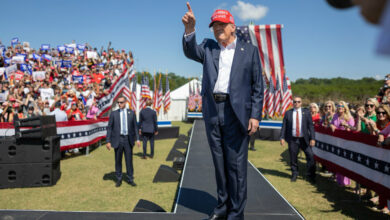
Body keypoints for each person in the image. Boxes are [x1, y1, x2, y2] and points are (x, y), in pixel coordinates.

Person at [182, 3, 263, 220]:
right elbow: (190, 51)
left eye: (221, 25)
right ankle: (222, 207)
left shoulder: (250, 52)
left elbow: (258, 86)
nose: (217, 28)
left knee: (236, 165)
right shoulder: (209, 47)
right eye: (214, 25)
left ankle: (236, 213)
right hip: (212, 111)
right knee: (219, 164)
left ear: (232, 27)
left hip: (237, 113)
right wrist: (190, 30)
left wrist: (255, 115)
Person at [106, 96, 140, 187]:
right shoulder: (113, 114)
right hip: (118, 140)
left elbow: (135, 127)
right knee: (118, 160)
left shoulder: (132, 113)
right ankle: (119, 179)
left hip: (128, 140)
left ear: (125, 102)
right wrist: (108, 141)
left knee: (129, 160)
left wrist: (138, 139)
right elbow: (109, 128)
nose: (119, 104)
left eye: (121, 102)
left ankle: (130, 179)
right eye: (118, 102)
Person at [280, 96, 316, 183]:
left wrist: (312, 138)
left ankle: (310, 175)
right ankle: (294, 174)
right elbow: (284, 126)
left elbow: (311, 126)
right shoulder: (288, 113)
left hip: (304, 139)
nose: (296, 103)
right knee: (293, 158)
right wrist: (282, 137)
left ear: (301, 103)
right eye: (295, 102)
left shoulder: (306, 112)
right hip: (292, 139)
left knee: (310, 156)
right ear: (293, 103)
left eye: (298, 102)